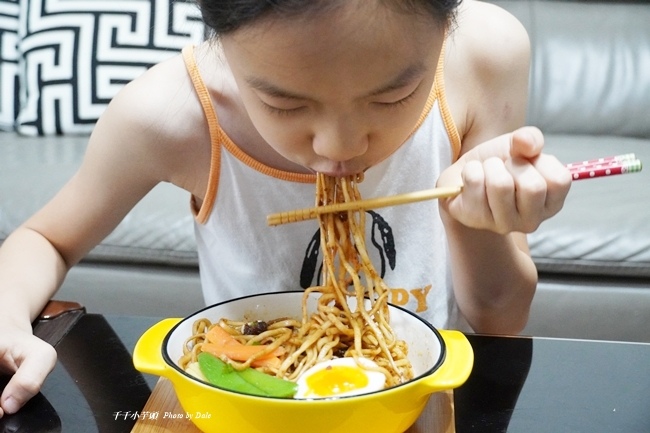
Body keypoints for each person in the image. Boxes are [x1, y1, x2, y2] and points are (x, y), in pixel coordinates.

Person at [0, 0, 572, 417]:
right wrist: (8, 323)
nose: (339, 147)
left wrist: (473, 219)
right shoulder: (169, 113)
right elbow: (46, 239)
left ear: (446, 27)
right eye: (283, 103)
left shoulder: (486, 55)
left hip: (412, 408)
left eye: (392, 96)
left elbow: (501, 321)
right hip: (251, 411)